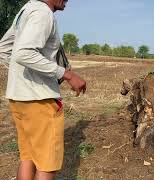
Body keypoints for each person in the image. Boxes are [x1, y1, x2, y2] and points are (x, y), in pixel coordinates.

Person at [0, 0, 86, 179]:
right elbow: (24, 53)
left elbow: (4, 49)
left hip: (19, 98)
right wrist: (66, 74)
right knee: (47, 164)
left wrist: (24, 74)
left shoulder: (26, 10)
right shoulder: (44, 13)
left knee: (28, 157)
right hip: (40, 101)